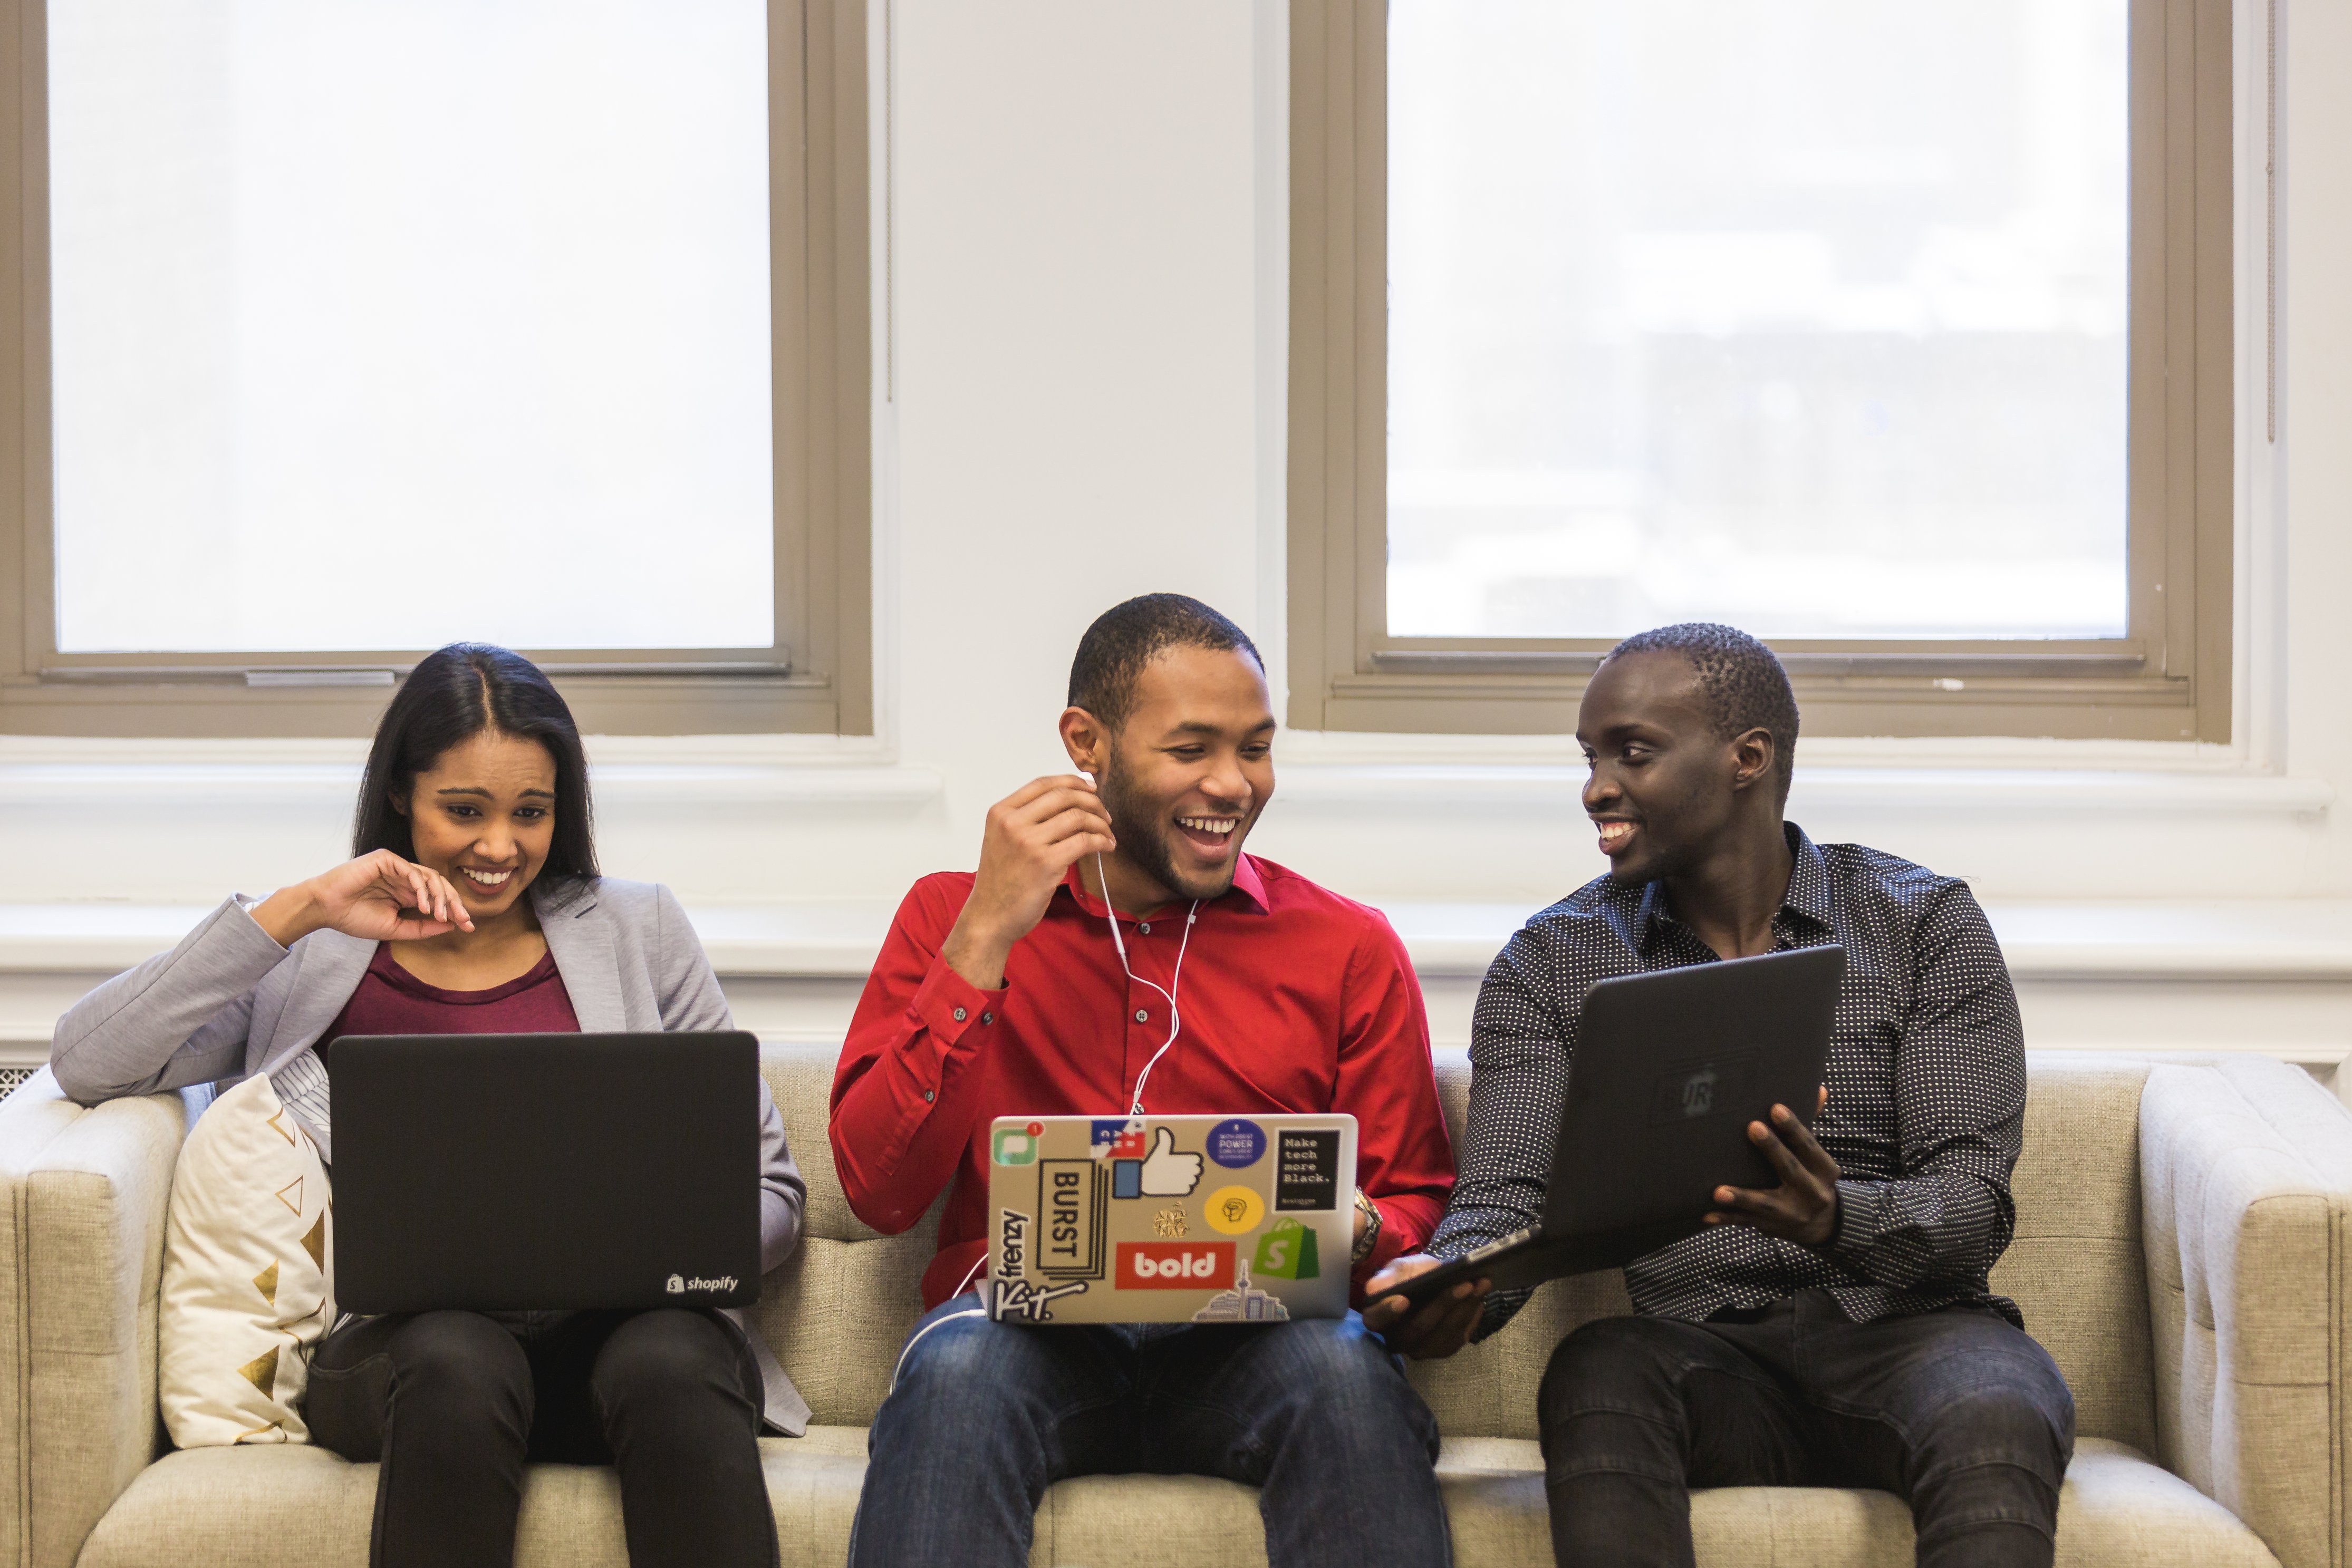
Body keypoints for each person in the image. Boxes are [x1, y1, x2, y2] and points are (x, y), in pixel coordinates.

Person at [49, 643, 803, 1568]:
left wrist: (670, 1254)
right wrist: (297, 909)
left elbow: (770, 1188)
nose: (500, 846)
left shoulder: (639, 929)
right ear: (402, 794)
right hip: (413, 1364)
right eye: (464, 810)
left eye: (531, 811)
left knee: (675, 1360)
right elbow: (88, 1061)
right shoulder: (312, 953)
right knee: (458, 1354)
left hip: (623, 1347)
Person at [1366, 623, 2075, 1568]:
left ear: (1747, 759)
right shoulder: (1554, 959)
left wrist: (1836, 1217)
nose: (1596, 788)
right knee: (1598, 1371)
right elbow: (1507, 1203)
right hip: (1702, 1354)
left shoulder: (1921, 922)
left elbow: (1972, 1207)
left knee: (1996, 1410)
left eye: (1634, 753)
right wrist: (1453, 1285)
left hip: (1913, 1339)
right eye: (1589, 757)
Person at [833, 593, 1459, 1568]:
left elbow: (1415, 1192)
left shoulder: (1345, 945)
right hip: (1016, 1333)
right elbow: (878, 1190)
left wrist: (1365, 1225)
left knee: (1345, 1376)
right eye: (1191, 748)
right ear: (1088, 742)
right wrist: (988, 936)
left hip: (1260, 1341)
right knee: (954, 1371)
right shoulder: (951, 917)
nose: (1234, 783)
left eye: (1254, 747)